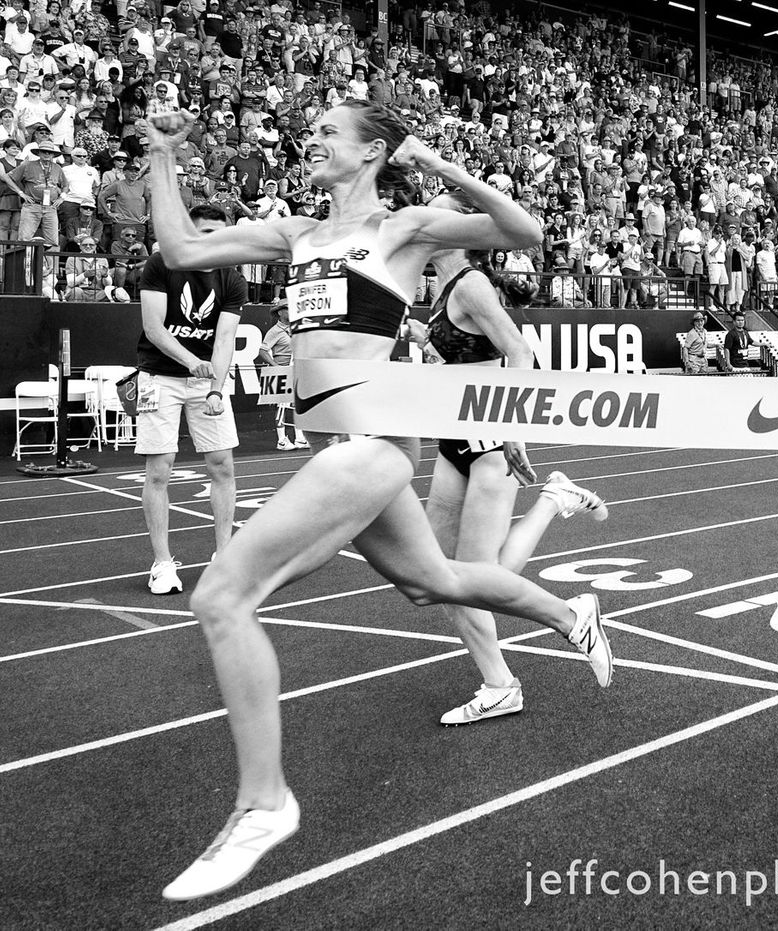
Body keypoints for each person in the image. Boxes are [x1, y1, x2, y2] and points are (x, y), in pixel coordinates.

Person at [144, 102, 612, 901]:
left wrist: (437, 165)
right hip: (338, 446)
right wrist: (160, 155)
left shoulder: (406, 228)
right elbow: (182, 247)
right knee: (436, 580)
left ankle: (264, 803)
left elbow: (525, 233)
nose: (313, 139)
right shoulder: (293, 234)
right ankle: (574, 616)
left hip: (378, 444)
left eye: (330, 131)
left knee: (223, 592)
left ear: (370, 153)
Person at [411, 191, 608, 725]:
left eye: (434, 213)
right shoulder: (441, 290)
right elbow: (461, 353)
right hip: (453, 440)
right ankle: (554, 500)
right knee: (439, 574)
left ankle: (508, 676)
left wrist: (516, 426)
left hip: (489, 440)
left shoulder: (471, 284)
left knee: (469, 579)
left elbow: (520, 353)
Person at [135, 203, 245, 596]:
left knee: (222, 466)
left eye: (220, 234)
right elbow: (154, 327)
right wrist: (191, 362)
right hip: (159, 376)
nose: (212, 241)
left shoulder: (231, 277)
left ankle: (225, 556)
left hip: (205, 381)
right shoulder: (161, 263)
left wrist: (216, 386)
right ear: (190, 232)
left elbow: (225, 339)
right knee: (159, 471)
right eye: (205, 233)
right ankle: (162, 563)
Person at [257, 302, 308, 450]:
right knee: (281, 406)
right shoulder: (274, 331)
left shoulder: (295, 328)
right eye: (287, 309)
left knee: (296, 404)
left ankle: (299, 438)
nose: (291, 311)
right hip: (281, 371)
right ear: (280, 313)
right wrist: (276, 366)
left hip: (295, 370)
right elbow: (263, 350)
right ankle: (282, 440)